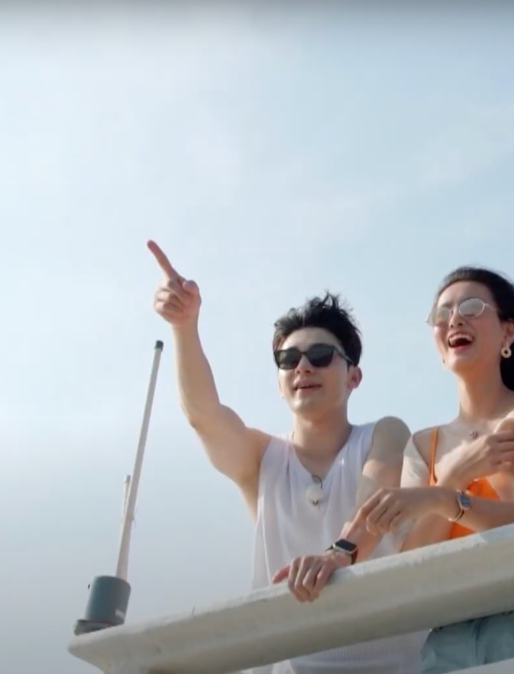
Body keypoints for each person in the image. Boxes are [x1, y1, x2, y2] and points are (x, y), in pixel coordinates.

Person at [281, 266, 514, 674]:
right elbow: (415, 560)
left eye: (472, 307)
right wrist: (451, 479)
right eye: (442, 313)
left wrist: (443, 500)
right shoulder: (422, 446)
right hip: (448, 637)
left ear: (507, 332)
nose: (455, 319)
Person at [146, 240, 426, 674]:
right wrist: (184, 326)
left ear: (354, 376)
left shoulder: (384, 434)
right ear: (279, 383)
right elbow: (204, 416)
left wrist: (336, 554)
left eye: (320, 356)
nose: (303, 367)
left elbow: (375, 506)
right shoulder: (262, 460)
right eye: (288, 359)